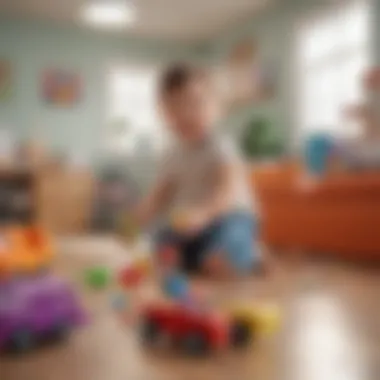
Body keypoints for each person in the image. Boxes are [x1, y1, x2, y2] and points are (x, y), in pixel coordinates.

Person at [135, 63, 260, 277]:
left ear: (218, 109)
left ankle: (250, 255)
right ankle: (203, 257)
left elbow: (226, 192)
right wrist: (142, 213)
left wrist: (204, 214)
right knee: (162, 252)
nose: (185, 113)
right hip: (187, 223)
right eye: (174, 106)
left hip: (227, 217)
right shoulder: (171, 152)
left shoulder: (221, 145)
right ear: (163, 113)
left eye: (195, 103)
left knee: (220, 263)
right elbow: (161, 192)